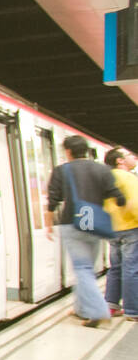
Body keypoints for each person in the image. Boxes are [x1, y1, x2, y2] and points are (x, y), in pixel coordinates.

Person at [45, 135, 126, 327]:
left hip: (72, 223)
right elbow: (119, 198)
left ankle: (99, 311)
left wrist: (48, 223)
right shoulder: (102, 169)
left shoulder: (62, 170)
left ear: (68, 151)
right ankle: (82, 310)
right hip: (94, 224)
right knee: (88, 269)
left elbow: (53, 200)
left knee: (83, 269)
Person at [102, 146, 138, 320]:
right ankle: (133, 310)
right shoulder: (127, 177)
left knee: (115, 268)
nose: (134, 157)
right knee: (131, 268)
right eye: (130, 155)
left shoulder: (105, 178)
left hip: (112, 228)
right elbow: (135, 203)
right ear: (120, 160)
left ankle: (111, 305)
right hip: (131, 227)